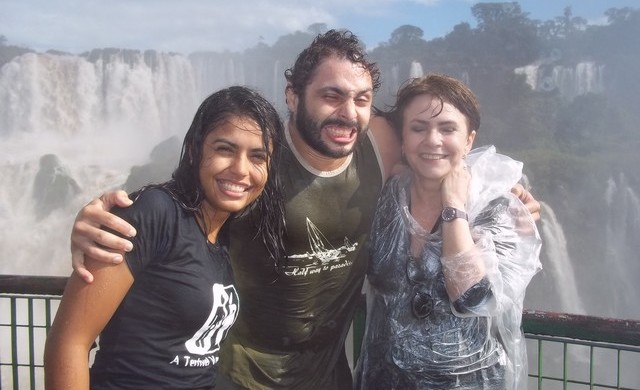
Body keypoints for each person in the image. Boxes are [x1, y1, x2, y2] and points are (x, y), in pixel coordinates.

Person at [66, 30, 541, 390]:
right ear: (293, 95)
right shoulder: (257, 163)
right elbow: (177, 205)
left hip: (329, 373)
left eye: (360, 100)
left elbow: (439, 147)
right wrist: (98, 218)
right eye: (330, 95)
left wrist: (502, 186)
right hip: (239, 375)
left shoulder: (380, 144)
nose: (347, 112)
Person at [43, 86, 287, 390]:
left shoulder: (226, 233)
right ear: (197, 149)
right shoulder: (154, 213)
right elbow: (69, 343)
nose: (241, 169)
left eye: (257, 157)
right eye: (225, 149)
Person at [354, 74, 542, 389]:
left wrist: (454, 206)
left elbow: (474, 300)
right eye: (418, 128)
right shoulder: (385, 197)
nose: (432, 140)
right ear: (403, 138)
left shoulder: (495, 207)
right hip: (381, 379)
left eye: (447, 128)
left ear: (469, 139)